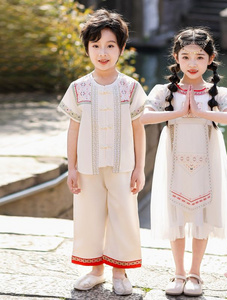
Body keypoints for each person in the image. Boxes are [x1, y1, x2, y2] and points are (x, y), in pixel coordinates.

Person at [140, 27, 227, 296]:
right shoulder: (164, 90)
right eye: (186, 57)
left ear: (210, 59)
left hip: (207, 160)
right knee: (176, 215)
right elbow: (143, 117)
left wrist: (202, 113)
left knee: (201, 216)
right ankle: (179, 273)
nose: (192, 63)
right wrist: (178, 112)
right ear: (176, 57)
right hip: (173, 159)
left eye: (199, 57)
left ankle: (195, 274)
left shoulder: (217, 92)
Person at [57, 8, 146, 295]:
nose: (102, 52)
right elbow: (73, 129)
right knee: (90, 216)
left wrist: (139, 168)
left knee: (122, 215)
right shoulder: (79, 87)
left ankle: (120, 274)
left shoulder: (130, 88)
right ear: (87, 49)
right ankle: (95, 271)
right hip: (88, 167)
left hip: (122, 165)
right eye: (95, 46)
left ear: (121, 48)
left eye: (110, 45)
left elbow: (138, 129)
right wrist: (72, 167)